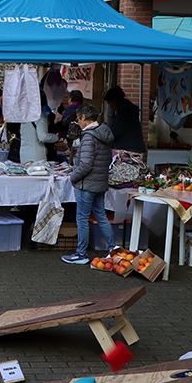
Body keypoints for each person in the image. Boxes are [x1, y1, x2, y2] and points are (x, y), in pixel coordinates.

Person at [62, 104, 117, 265]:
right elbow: (107, 159)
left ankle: (81, 253)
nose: (78, 122)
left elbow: (85, 165)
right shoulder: (104, 132)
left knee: (82, 218)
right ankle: (112, 249)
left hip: (87, 184)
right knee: (101, 216)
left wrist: (73, 177)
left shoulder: (88, 136)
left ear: (84, 117)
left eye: (78, 119)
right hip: (100, 183)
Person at [104, 85, 147, 153]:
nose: (110, 106)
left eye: (109, 103)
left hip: (129, 148)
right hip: (133, 147)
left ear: (114, 101)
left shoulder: (124, 112)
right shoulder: (128, 110)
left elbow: (116, 132)